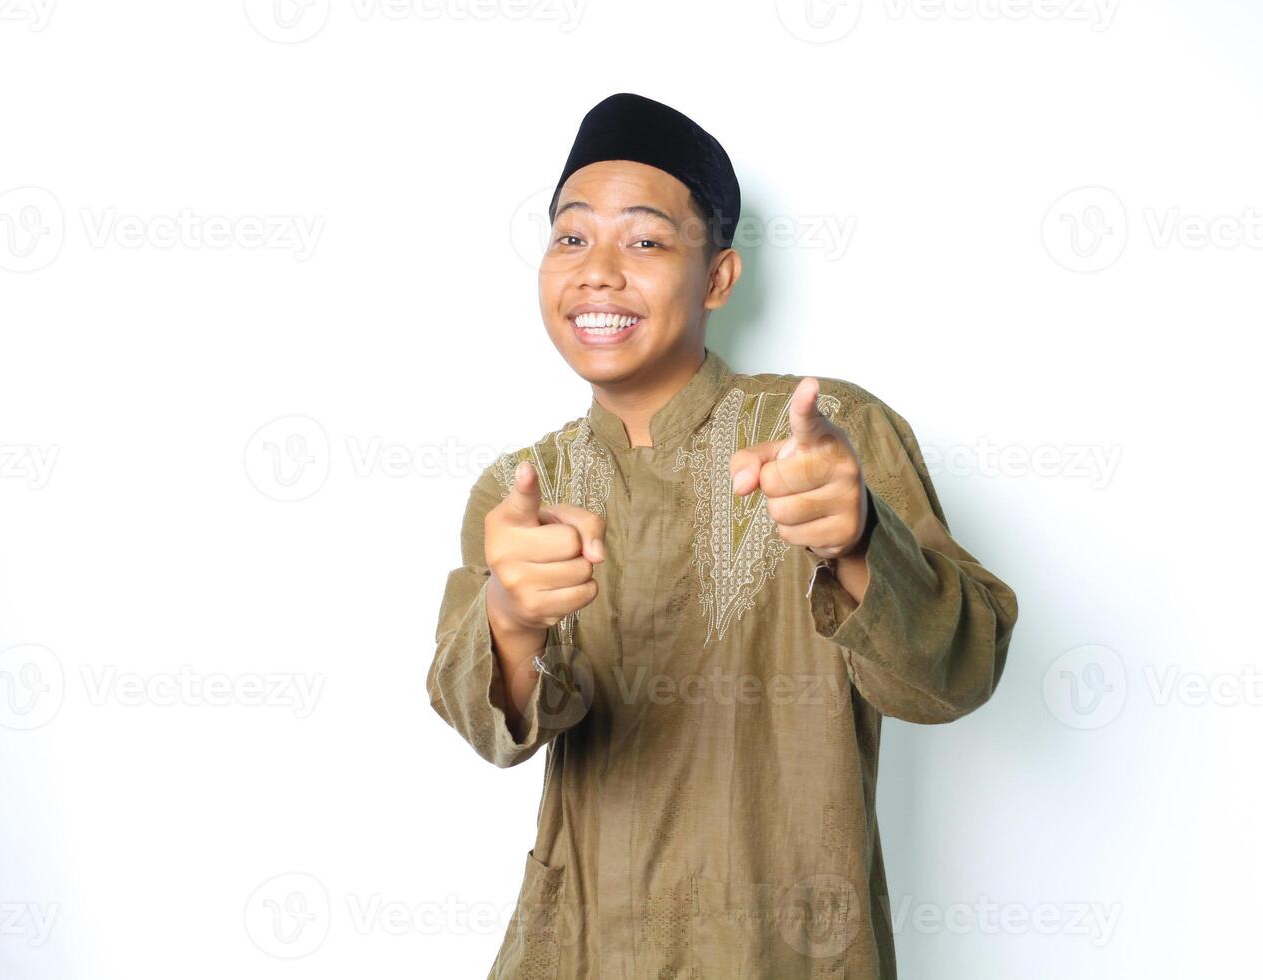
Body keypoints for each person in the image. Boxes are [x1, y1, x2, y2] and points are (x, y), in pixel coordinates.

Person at [426, 91, 1019, 979]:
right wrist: (509, 621)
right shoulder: (522, 491)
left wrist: (860, 543)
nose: (597, 270)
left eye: (646, 240)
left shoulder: (826, 434)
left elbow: (956, 677)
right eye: (571, 237)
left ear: (717, 278)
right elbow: (486, 727)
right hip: (582, 953)